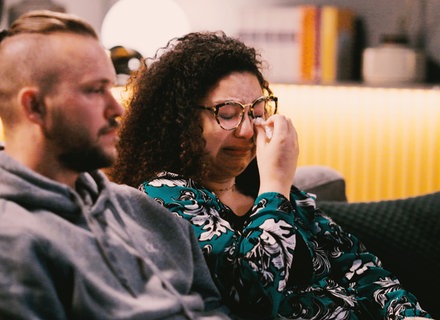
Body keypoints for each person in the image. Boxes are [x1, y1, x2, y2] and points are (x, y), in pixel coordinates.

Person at [110, 31, 432, 320]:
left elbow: (358, 265)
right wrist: (276, 184)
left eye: (257, 111)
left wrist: (408, 315)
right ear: (180, 121)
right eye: (228, 114)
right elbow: (254, 293)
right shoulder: (164, 197)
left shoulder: (263, 185)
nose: (248, 130)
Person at [0, 11, 229, 320]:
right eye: (94, 90)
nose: (117, 109)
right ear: (34, 107)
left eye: (111, 88)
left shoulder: (139, 208)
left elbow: (210, 304)